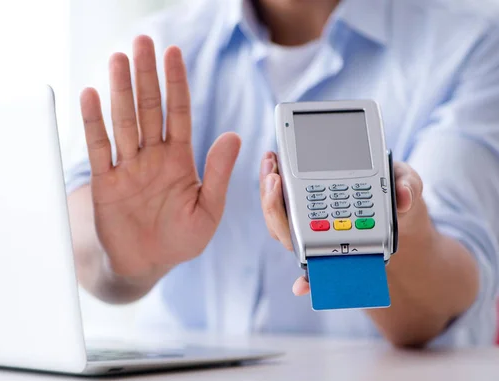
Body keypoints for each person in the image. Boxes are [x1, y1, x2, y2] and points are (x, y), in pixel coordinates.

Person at [65, 0, 499, 347]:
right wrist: (119, 258)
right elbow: (80, 231)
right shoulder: (157, 47)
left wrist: (389, 236)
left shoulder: (472, 45)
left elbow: (437, 312)